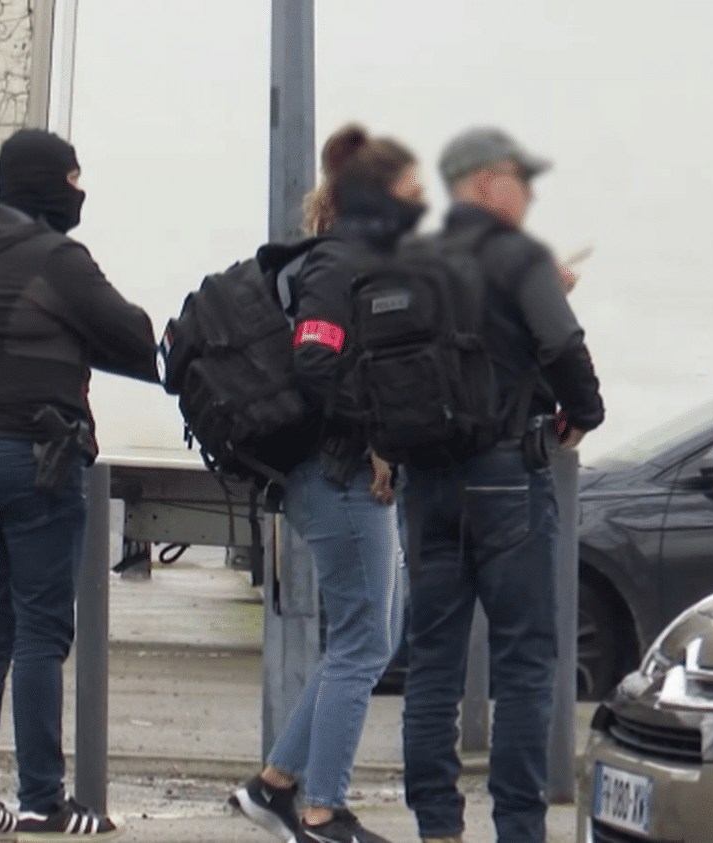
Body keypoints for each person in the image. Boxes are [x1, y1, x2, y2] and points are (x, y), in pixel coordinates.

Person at [0, 127, 159, 841]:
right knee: (40, 633)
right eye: (71, 179)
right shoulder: (56, 260)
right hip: (38, 461)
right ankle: (42, 802)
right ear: (45, 185)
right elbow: (131, 332)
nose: (78, 191)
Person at [399, 127, 604, 843]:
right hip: (506, 479)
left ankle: (436, 827)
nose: (528, 194)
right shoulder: (519, 257)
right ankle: (518, 827)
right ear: (486, 182)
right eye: (520, 180)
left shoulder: (412, 258)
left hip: (425, 483)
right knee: (523, 659)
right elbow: (559, 345)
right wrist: (585, 411)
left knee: (433, 658)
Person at [230, 123, 423, 843]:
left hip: (343, 474)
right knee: (364, 644)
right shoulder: (338, 264)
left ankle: (274, 784)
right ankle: (322, 810)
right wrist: (374, 436)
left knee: (369, 637)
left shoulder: (353, 258)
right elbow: (317, 363)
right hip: (340, 475)